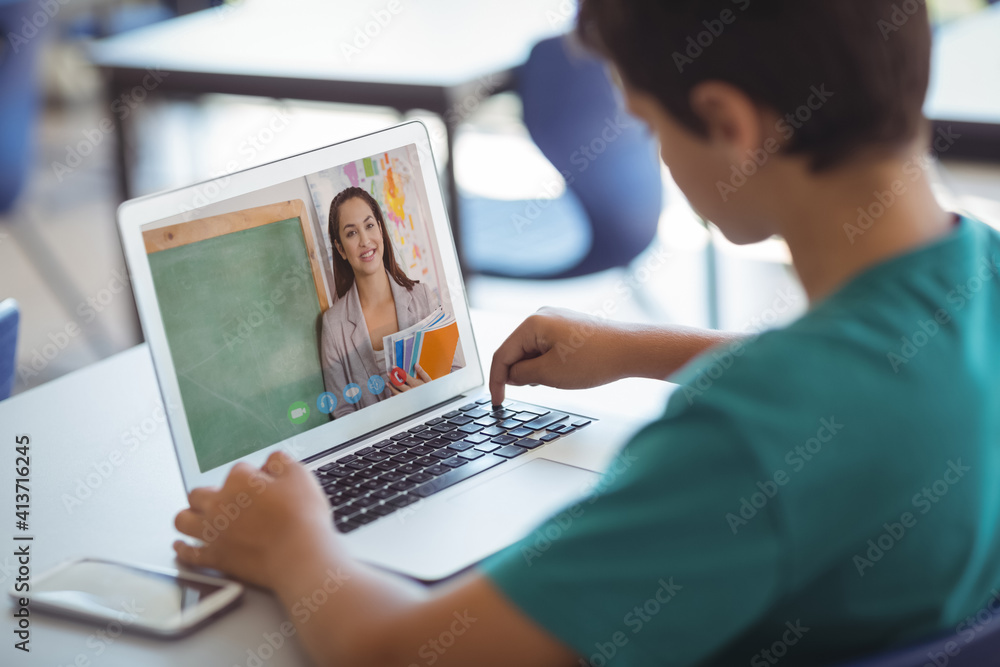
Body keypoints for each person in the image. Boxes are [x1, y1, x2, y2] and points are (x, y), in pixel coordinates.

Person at [172, 1, 1000, 665]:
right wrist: (641, 349)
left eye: (647, 125)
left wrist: (294, 546)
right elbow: (876, 378)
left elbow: (406, 650)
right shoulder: (977, 274)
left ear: (728, 123)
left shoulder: (742, 446)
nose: (658, 153)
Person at [319, 186, 440, 418]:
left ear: (381, 229)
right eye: (351, 233)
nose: (365, 240)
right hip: (379, 449)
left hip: (434, 428)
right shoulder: (333, 326)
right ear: (341, 249)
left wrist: (429, 396)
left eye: (369, 225)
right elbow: (341, 411)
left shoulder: (423, 298)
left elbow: (455, 374)